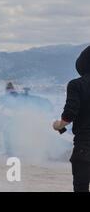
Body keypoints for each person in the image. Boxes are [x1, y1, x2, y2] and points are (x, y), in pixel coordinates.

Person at [53, 46, 90, 192]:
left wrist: (58, 125)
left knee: (81, 188)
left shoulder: (77, 85)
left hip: (85, 148)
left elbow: (69, 115)